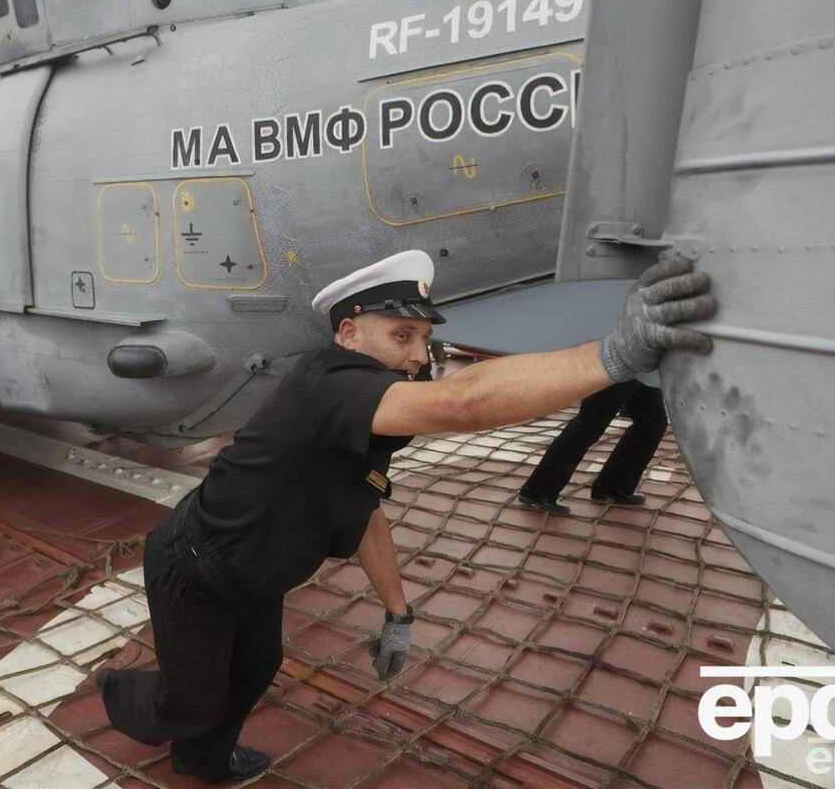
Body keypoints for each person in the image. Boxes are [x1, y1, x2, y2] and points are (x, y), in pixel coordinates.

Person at [97, 251, 715, 784]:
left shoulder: (361, 416)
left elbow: (363, 508)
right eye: (400, 336)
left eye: (423, 342)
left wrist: (398, 612)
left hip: (254, 573)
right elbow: (461, 403)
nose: (418, 358)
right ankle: (116, 691)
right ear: (347, 334)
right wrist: (617, 353)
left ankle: (202, 762)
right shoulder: (331, 384)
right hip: (198, 573)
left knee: (258, 666)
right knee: (190, 703)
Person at [517, 380, 667, 515]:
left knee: (652, 423)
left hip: (645, 365)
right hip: (624, 359)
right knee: (589, 424)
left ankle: (614, 486)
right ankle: (538, 490)